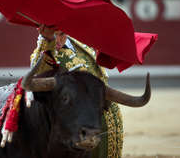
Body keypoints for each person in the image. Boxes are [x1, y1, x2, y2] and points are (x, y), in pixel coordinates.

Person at [30, 24, 123, 158]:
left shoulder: (80, 43)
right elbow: (40, 74)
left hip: (102, 110)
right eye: (54, 35)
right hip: (76, 120)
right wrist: (47, 40)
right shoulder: (44, 53)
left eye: (61, 34)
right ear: (41, 31)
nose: (58, 40)